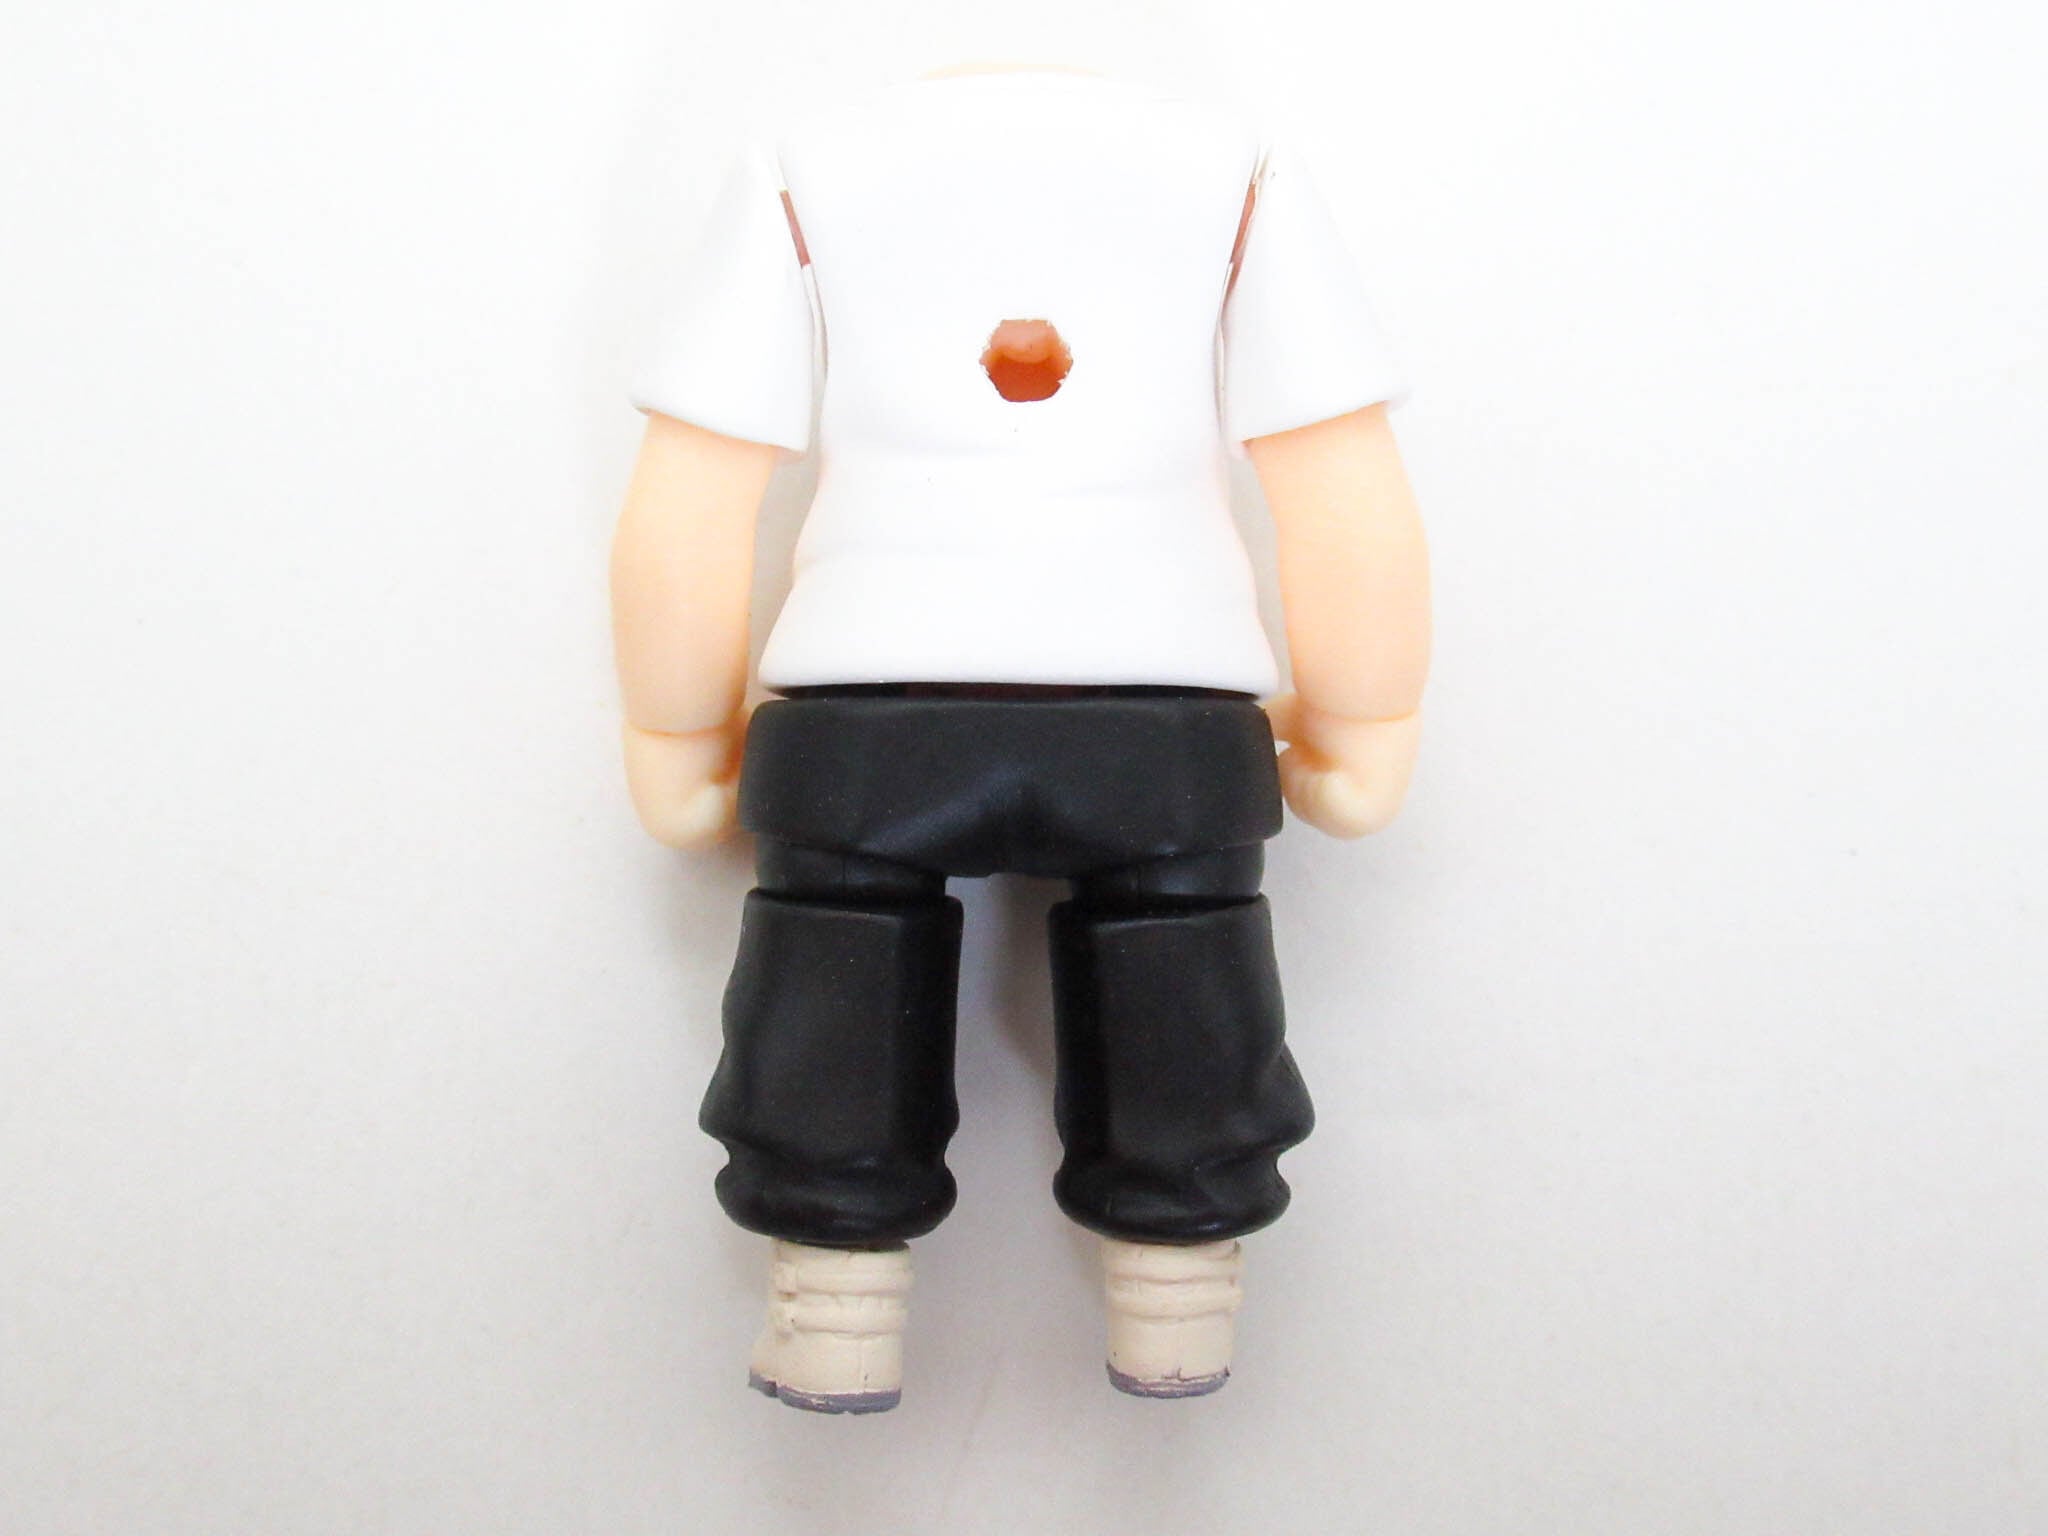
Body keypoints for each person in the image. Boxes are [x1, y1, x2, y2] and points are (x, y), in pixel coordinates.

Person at [610, 66, 1430, 1412]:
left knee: (833, 968)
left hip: (866, 706)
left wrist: (675, 722)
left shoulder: (802, 165)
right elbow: (1334, 466)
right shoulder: (1237, 173)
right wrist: (1364, 711)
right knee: (1185, 970)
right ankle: (1179, 1283)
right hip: (1167, 710)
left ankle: (832, 1294)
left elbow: (698, 478)